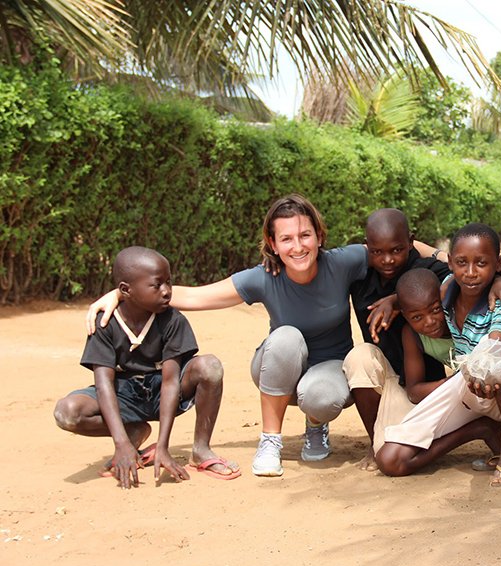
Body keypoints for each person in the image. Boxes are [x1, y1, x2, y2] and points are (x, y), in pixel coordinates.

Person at [86, 194, 369, 477]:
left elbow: (403, 247)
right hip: (280, 367)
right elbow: (198, 296)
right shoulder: (264, 277)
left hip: (328, 370)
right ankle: (270, 440)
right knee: (287, 337)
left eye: (305, 235)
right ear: (273, 243)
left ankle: (316, 424)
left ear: (319, 236)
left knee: (321, 396)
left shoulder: (344, 261)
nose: (297, 246)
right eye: (286, 239)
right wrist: (123, 293)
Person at [56, 247, 237, 488]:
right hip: (126, 394)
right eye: (157, 285)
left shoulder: (172, 320)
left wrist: (163, 447)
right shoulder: (104, 323)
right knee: (67, 412)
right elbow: (104, 385)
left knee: (210, 366)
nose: (167, 292)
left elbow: (171, 381)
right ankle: (133, 433)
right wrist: (120, 444)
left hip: (164, 390)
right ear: (125, 290)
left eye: (169, 283)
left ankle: (201, 449)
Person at [375, 224, 501, 485]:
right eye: (461, 263)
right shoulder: (443, 291)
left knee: (496, 357)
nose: (470, 273)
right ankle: (477, 429)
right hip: (465, 384)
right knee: (391, 460)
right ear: (450, 262)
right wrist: (393, 300)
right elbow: (418, 295)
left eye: (481, 263)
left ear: (498, 263)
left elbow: (497, 341)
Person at [345, 209, 451, 469]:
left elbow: (467, 275)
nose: (387, 260)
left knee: (405, 452)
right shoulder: (359, 276)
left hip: (424, 385)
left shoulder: (427, 269)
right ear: (366, 246)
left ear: (411, 242)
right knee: (359, 356)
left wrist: (397, 300)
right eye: (377, 252)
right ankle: (374, 442)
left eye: (396, 250)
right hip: (387, 378)